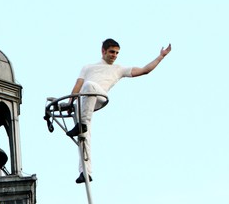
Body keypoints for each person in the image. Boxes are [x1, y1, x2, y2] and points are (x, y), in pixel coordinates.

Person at [68, 39, 171, 183]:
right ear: (103, 51)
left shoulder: (119, 69)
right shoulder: (88, 67)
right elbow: (77, 86)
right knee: (84, 137)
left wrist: (161, 57)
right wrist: (69, 103)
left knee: (90, 86)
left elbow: (144, 70)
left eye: (116, 53)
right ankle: (85, 172)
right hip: (84, 102)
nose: (114, 55)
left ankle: (82, 123)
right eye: (111, 52)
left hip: (99, 96)